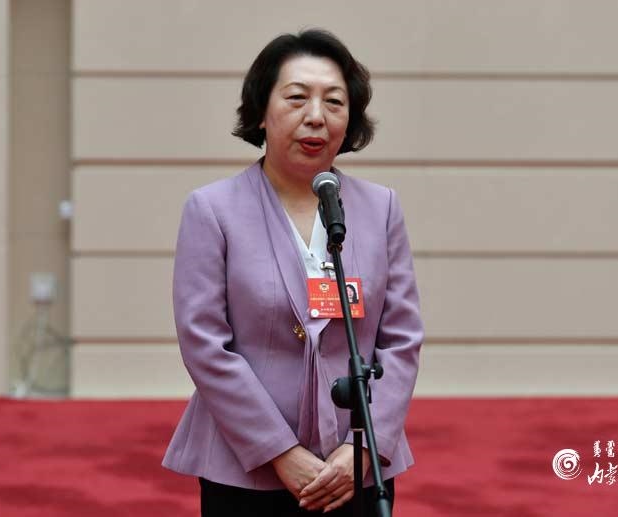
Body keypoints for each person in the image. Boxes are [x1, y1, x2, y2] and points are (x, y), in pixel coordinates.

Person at [162, 29, 423, 516]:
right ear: (262, 111)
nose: (316, 116)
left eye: (334, 102)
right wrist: (279, 452)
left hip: (356, 466)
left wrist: (362, 448)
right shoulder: (213, 210)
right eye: (297, 98)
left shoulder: (381, 208)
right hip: (245, 468)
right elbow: (204, 343)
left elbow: (402, 339)